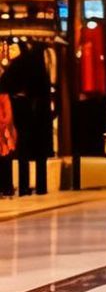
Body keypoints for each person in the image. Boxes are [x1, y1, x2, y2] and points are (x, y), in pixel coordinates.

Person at [1, 45, 56, 198]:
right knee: (40, 155)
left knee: (23, 151)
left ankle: (24, 187)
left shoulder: (19, 65)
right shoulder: (41, 72)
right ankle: (41, 187)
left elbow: (4, 84)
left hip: (23, 113)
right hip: (40, 115)